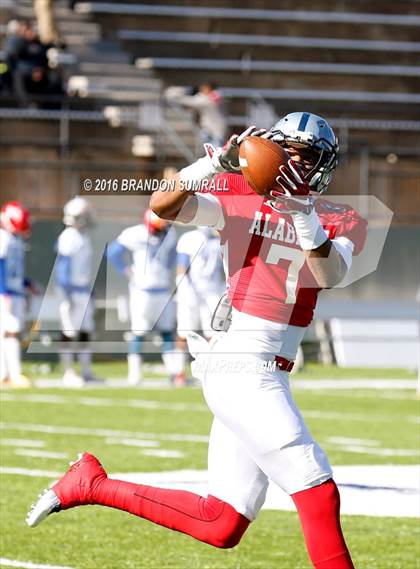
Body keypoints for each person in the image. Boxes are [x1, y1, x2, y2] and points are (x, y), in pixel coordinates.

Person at [26, 113, 367, 569]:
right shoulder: (241, 193)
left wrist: (302, 213)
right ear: (276, 153)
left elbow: (331, 275)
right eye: (295, 156)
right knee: (315, 485)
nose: (302, 167)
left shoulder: (341, 217)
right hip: (243, 361)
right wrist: (213, 165)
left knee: (221, 522)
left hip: (268, 368)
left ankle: (91, 484)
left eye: (312, 159)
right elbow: (162, 207)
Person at [107, 209, 179, 385]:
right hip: (142, 291)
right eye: (160, 227)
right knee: (138, 331)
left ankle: (173, 372)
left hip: (162, 289)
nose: (164, 231)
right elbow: (113, 252)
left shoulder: (170, 234)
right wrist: (125, 270)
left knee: (167, 331)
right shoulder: (136, 234)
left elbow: (172, 257)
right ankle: (135, 372)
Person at [56, 197, 99, 387]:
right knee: (69, 330)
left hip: (83, 290)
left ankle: (86, 370)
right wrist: (67, 292)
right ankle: (68, 371)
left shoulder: (83, 236)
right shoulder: (68, 237)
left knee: (85, 330)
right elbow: (63, 267)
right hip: (71, 290)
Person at [175, 226, 225, 386]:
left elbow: (223, 268)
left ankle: (212, 371)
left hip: (212, 289)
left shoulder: (219, 239)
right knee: (184, 331)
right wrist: (184, 287)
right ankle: (178, 372)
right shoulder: (189, 238)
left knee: (214, 333)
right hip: (192, 289)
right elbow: (182, 267)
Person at [0, 201, 32, 388]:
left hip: (13, 290)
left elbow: (14, 269)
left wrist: (26, 284)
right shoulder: (3, 238)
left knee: (10, 332)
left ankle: (6, 374)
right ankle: (12, 373)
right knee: (10, 332)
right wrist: (3, 291)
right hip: (6, 292)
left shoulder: (15, 240)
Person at [165, 82, 227, 147]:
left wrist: (174, 94)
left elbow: (189, 101)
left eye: (204, 89)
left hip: (215, 131)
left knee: (216, 152)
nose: (202, 90)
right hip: (211, 130)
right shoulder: (216, 96)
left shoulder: (206, 99)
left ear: (210, 88)